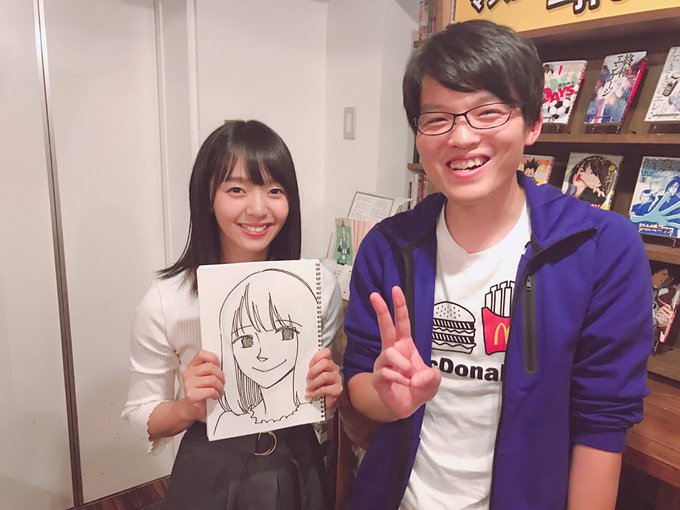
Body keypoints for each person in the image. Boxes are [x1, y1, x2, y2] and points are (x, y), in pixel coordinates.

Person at [342, 20, 652, 510]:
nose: (462, 137)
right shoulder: (388, 245)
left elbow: (603, 421)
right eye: (437, 119)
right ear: (418, 135)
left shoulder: (600, 248)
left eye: (488, 112)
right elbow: (361, 375)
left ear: (532, 124)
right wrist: (387, 396)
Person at [122, 120, 343, 510]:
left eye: (274, 190)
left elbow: (317, 400)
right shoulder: (167, 300)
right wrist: (188, 407)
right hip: (210, 465)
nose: (258, 209)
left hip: (297, 459)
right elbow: (141, 413)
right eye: (236, 189)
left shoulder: (319, 288)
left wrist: (328, 394)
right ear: (207, 197)